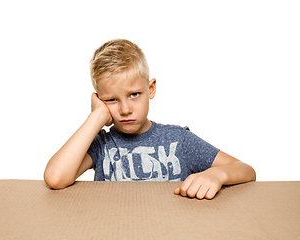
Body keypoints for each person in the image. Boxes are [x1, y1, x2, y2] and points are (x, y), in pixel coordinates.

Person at [44, 39, 256, 200]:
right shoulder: (102, 145)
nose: (125, 109)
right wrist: (97, 116)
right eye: (111, 99)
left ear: (151, 88)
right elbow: (55, 177)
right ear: (99, 100)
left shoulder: (178, 140)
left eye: (134, 94)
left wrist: (217, 176)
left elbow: (246, 169)